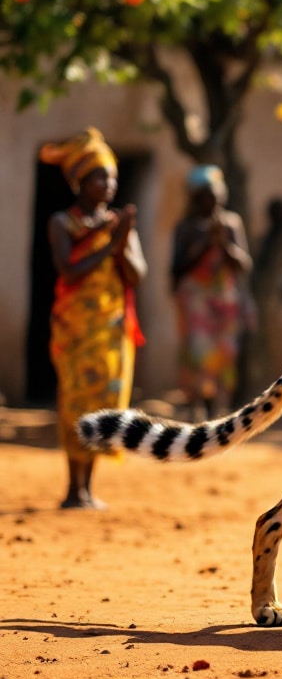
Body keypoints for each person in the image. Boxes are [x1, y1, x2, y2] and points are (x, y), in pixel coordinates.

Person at [41, 128, 147, 509]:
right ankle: (73, 489)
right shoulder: (62, 223)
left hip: (112, 327)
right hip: (75, 327)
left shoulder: (119, 226)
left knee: (106, 400)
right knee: (75, 400)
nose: (109, 184)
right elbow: (69, 271)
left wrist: (120, 245)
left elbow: (137, 274)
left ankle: (88, 487)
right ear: (80, 182)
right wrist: (107, 242)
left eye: (113, 177)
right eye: (100, 176)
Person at [171, 165, 253, 421]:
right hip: (196, 299)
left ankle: (218, 407)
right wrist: (205, 244)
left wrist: (225, 244)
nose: (214, 201)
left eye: (217, 195)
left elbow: (243, 265)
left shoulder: (231, 223)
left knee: (225, 353)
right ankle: (201, 407)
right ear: (197, 198)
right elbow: (177, 268)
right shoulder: (185, 227)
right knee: (199, 353)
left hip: (226, 301)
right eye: (208, 195)